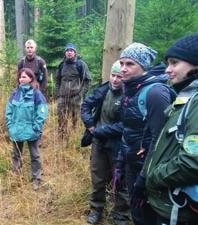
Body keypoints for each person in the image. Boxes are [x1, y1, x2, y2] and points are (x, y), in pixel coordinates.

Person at [115, 43, 174, 225]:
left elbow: (159, 141)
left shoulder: (155, 93)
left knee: (148, 218)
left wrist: (143, 180)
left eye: (130, 64)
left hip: (150, 173)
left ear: (143, 66)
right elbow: (128, 131)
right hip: (132, 165)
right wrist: (120, 163)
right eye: (122, 63)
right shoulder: (130, 90)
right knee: (137, 215)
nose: (123, 69)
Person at [146, 33, 198, 225]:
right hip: (171, 205)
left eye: (174, 63)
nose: (168, 70)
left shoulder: (197, 102)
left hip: (181, 211)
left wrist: (153, 177)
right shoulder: (186, 98)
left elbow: (193, 162)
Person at [80, 61, 130, 225]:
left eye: (119, 76)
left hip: (119, 146)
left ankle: (121, 215)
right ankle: (96, 209)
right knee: (98, 178)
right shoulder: (102, 90)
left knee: (120, 180)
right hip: (98, 143)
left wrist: (100, 131)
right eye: (113, 75)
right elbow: (86, 105)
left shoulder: (128, 96)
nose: (115, 80)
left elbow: (125, 125)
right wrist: (90, 125)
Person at [5, 68, 48, 191]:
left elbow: (42, 112)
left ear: (30, 79)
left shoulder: (37, 94)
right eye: (20, 77)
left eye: (24, 77)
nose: (21, 79)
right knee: (16, 155)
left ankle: (36, 179)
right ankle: (16, 177)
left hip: (31, 131)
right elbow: (9, 111)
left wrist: (36, 127)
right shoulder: (15, 94)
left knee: (35, 155)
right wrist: (10, 126)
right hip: (16, 130)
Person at [55, 43, 91, 134]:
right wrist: (58, 93)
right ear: (65, 53)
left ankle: (74, 137)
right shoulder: (61, 65)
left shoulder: (81, 64)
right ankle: (62, 137)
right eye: (67, 50)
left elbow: (88, 80)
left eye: (71, 51)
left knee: (76, 119)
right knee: (61, 118)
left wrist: (81, 94)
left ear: (75, 53)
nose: (69, 52)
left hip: (76, 97)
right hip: (62, 97)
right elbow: (58, 80)